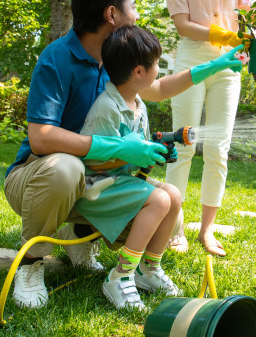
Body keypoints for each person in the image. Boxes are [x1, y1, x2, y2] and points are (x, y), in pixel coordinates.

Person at [4, 0, 243, 309]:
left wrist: (213, 66)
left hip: (96, 178)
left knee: (169, 204)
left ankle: (84, 239)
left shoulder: (117, 59)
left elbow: (156, 87)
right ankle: (31, 263)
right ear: (112, 14)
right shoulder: (56, 59)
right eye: (133, 4)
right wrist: (119, 147)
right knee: (66, 169)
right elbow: (41, 138)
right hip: (38, 176)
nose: (138, 12)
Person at [164, 0, 252, 257]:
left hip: (228, 68)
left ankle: (207, 229)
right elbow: (183, 25)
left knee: (218, 148)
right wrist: (222, 34)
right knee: (183, 145)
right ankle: (173, 226)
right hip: (191, 62)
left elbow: (251, 11)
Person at [77, 25, 182, 311]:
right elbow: (92, 161)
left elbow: (139, 148)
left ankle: (147, 270)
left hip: (121, 182)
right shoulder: (107, 107)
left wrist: (153, 154)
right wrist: (132, 158)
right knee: (159, 199)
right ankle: (120, 275)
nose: (159, 69)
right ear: (138, 72)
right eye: (157, 64)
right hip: (97, 187)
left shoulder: (138, 105)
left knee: (172, 194)